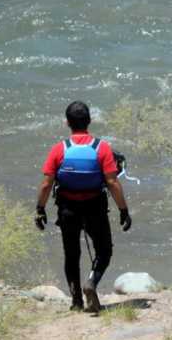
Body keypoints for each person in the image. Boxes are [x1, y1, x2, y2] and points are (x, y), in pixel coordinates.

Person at [35, 101, 132, 313]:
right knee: (104, 251)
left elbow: (46, 183)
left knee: (72, 255)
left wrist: (40, 209)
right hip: (95, 206)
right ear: (89, 121)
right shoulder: (102, 148)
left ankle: (77, 301)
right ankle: (92, 283)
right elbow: (113, 182)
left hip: (67, 208)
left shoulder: (59, 149)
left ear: (67, 123)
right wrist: (123, 210)